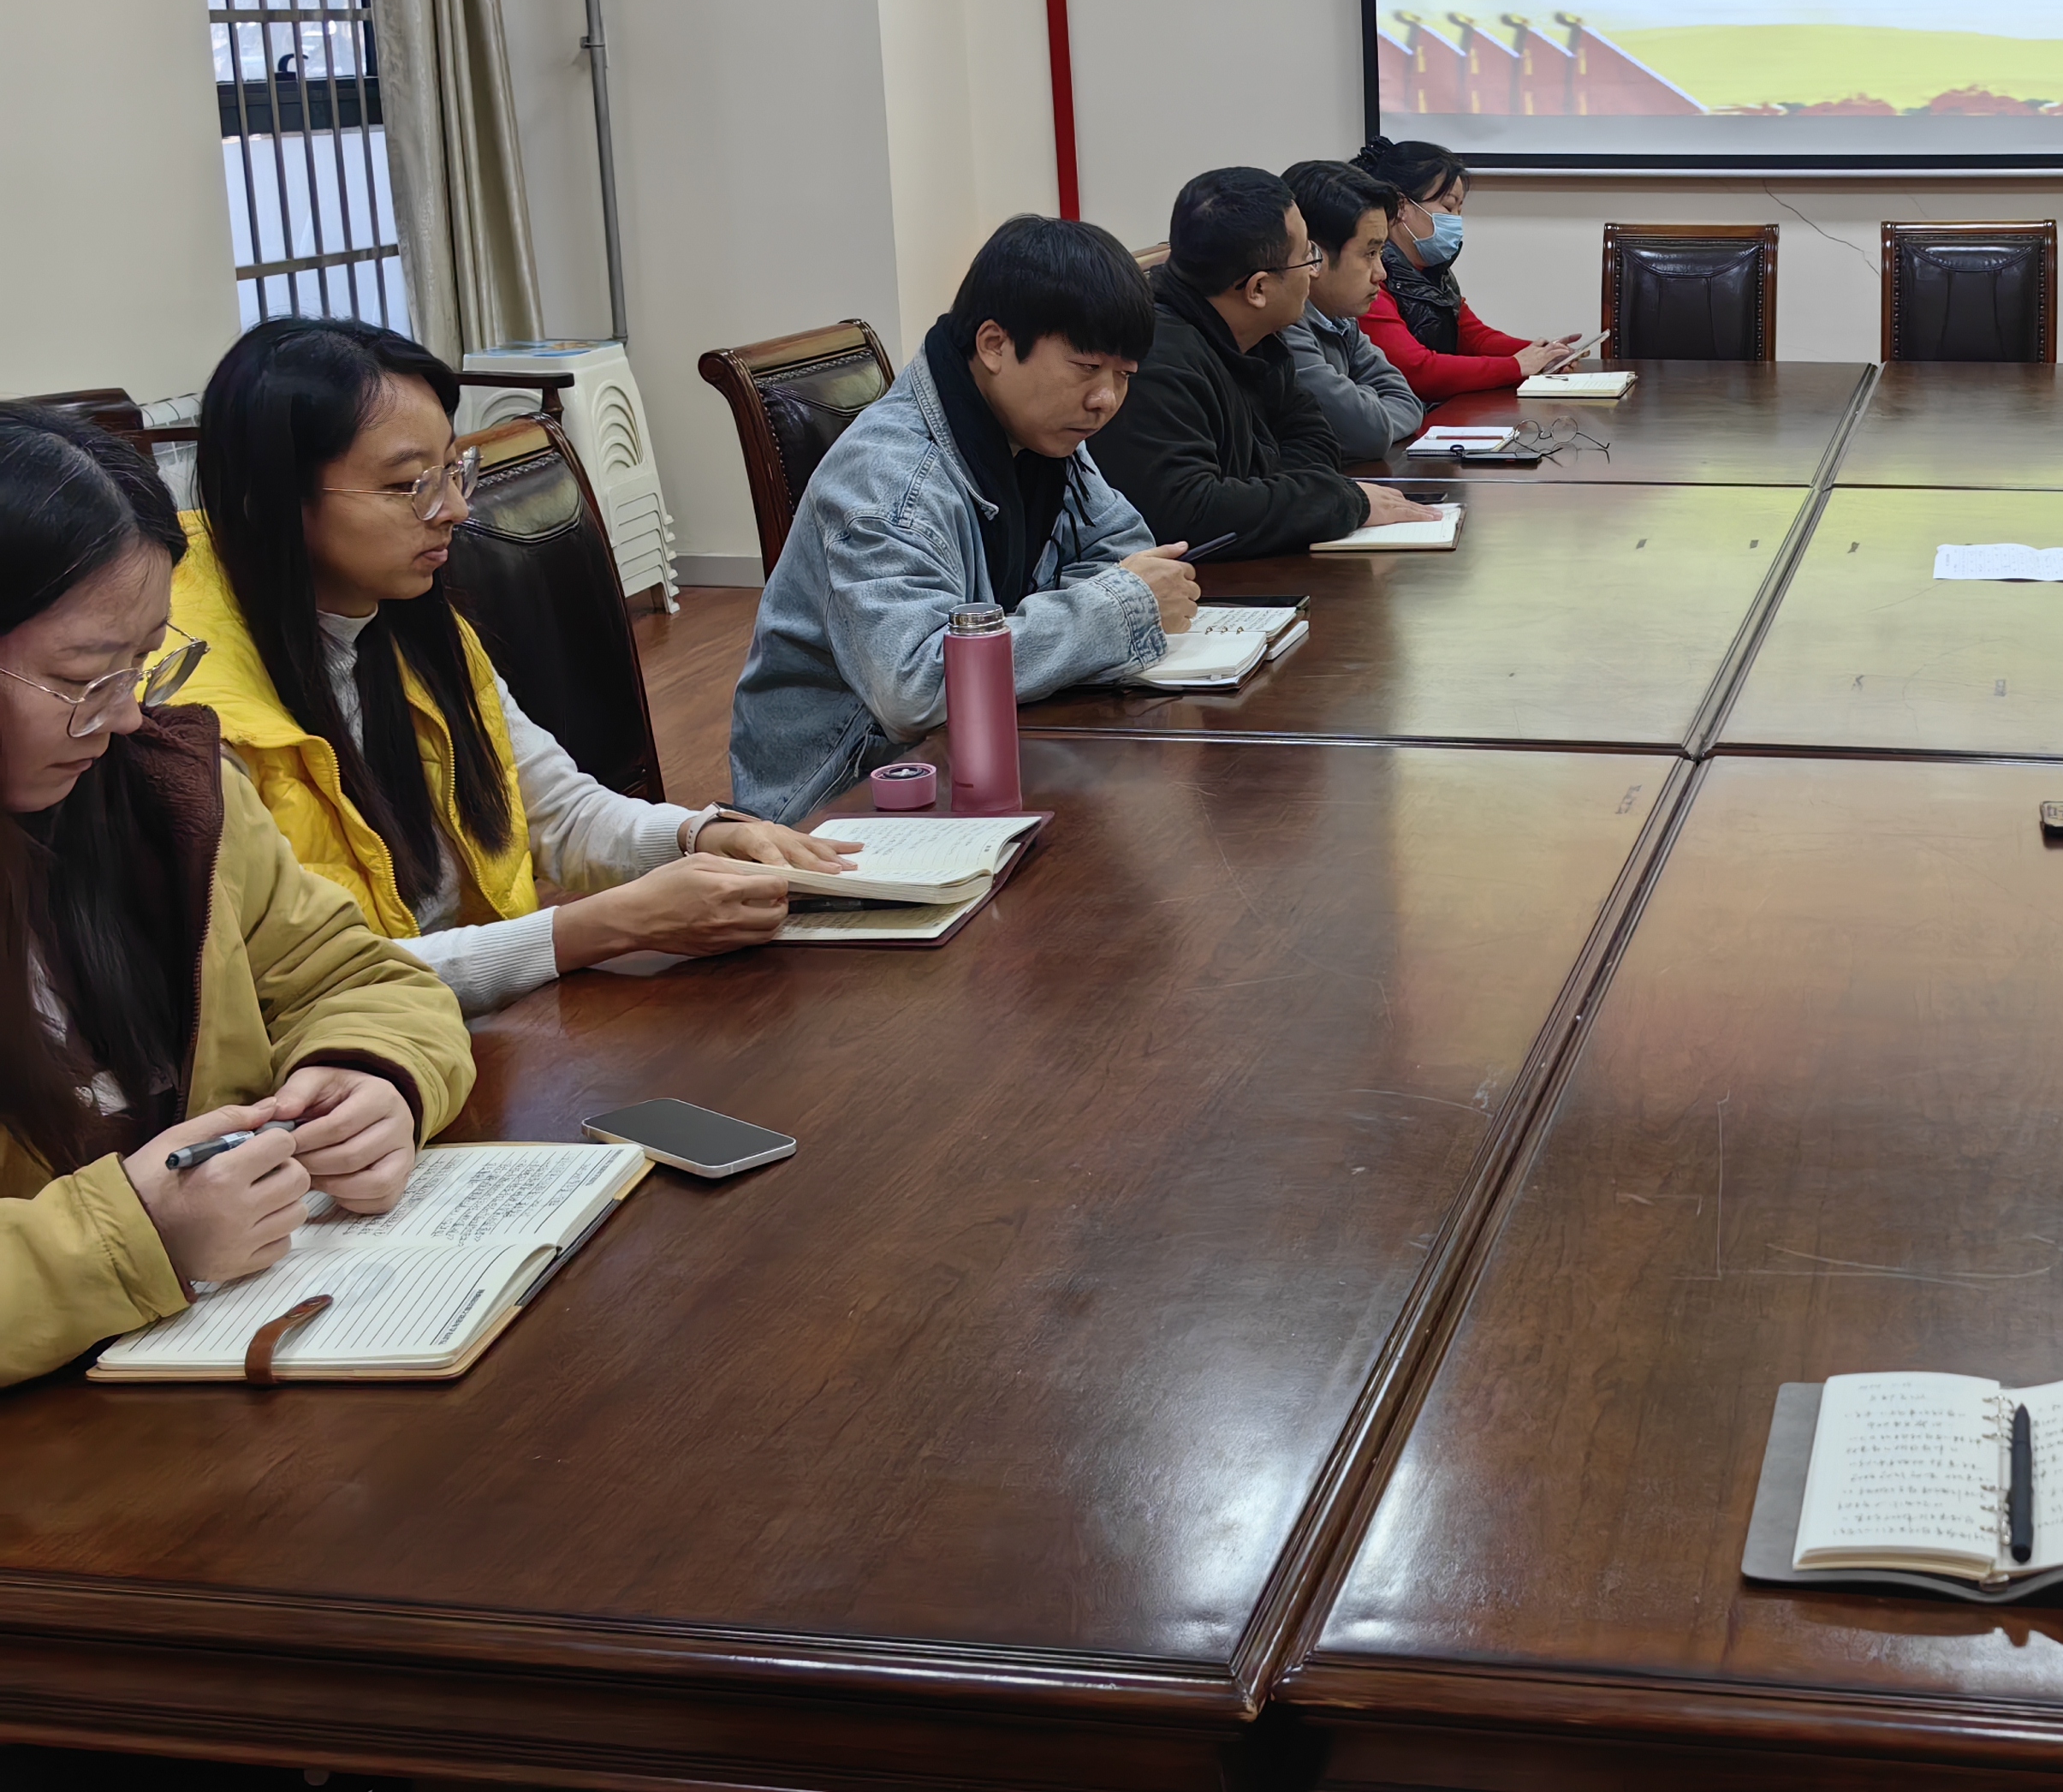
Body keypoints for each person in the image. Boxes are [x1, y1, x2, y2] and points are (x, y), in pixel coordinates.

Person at [171, 322, 856, 1015]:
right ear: (273, 498)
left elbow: (555, 812)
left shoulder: (408, 618)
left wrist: (700, 835)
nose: (455, 509)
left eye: (453, 470)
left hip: (467, 1026)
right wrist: (594, 929)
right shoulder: (198, 716)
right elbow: (304, 982)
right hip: (353, 1051)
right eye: (409, 485)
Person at [0, 403, 473, 1386]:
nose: (126, 716)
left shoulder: (168, 797)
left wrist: (370, 1077)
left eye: (143, 664)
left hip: (224, 1358)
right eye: (83, 676)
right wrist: (138, 1239)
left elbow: (357, 975)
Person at [732, 214, 1202, 822]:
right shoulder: (890, 478)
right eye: (1087, 368)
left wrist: (1072, 622)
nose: (1105, 399)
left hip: (979, 757)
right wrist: (1109, 614)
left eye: (1124, 376)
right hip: (845, 803)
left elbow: (1120, 549)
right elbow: (917, 685)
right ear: (994, 345)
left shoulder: (1038, 427)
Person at [1089, 168, 1441, 557]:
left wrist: (1262, 496)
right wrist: (1340, 501)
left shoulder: (1258, 336)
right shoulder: (1156, 358)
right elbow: (1189, 514)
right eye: (1307, 258)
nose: (1313, 273)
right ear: (1258, 288)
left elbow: (1316, 443)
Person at [1352, 135, 1588, 402]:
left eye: (1459, 210)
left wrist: (1545, 354)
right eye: (1448, 207)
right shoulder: (1370, 276)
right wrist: (1517, 366)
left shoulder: (1434, 270)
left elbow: (1474, 338)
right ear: (1401, 206)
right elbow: (1416, 370)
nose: (1456, 220)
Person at [1278, 160, 1424, 456]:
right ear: (1312, 255)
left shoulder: (1339, 318)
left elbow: (1407, 401)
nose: (1381, 273)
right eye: (1369, 253)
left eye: (1381, 252)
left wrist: (1363, 401)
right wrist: (1367, 400)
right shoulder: (1283, 326)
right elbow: (1367, 434)